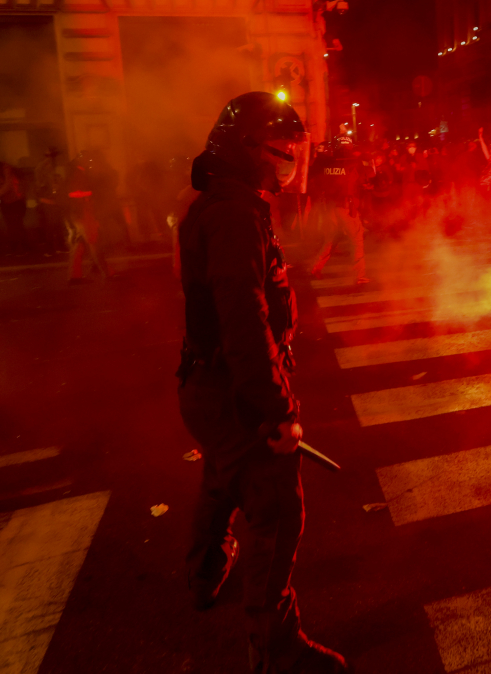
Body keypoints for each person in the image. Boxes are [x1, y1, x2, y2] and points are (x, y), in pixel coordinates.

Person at [176, 91, 347, 674]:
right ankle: (275, 649)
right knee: (276, 509)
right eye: (280, 152)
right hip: (233, 390)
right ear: (247, 149)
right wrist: (276, 411)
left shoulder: (229, 202)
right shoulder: (232, 213)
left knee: (223, 484)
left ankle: (202, 576)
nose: (288, 163)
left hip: (212, 386)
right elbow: (243, 318)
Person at [309, 136, 367, 284]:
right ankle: (359, 276)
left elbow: (314, 177)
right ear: (351, 147)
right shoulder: (353, 162)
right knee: (357, 239)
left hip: (329, 207)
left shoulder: (327, 162)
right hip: (346, 206)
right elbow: (367, 176)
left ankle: (316, 267)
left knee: (331, 238)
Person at [66, 153, 113, 283]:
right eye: (87, 159)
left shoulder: (77, 172)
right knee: (94, 242)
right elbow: (72, 193)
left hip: (78, 213)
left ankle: (74, 276)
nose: (89, 162)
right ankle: (107, 273)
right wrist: (91, 193)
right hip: (82, 213)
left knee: (79, 244)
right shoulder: (77, 174)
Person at [35, 147, 69, 254]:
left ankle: (61, 246)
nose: (51, 160)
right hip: (47, 202)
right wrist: (48, 158)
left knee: (59, 225)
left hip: (57, 202)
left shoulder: (56, 169)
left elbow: (61, 183)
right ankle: (50, 249)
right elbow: (39, 172)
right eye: (49, 156)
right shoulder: (42, 170)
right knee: (50, 227)